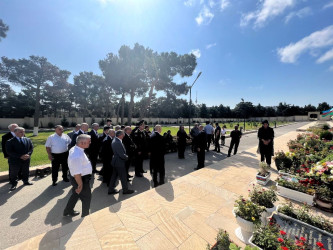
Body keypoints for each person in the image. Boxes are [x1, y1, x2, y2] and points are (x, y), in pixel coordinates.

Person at [63, 134, 92, 217]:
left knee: (76, 194)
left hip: (79, 178)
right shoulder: (76, 155)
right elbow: (77, 174)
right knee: (86, 198)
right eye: (89, 142)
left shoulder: (78, 149)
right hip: (80, 179)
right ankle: (85, 216)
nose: (90, 143)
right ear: (82, 143)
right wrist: (80, 185)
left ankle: (68, 210)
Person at [108, 130, 134, 195]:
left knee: (114, 176)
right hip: (119, 162)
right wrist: (127, 157)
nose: (124, 135)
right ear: (120, 135)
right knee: (123, 177)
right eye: (123, 134)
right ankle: (125, 190)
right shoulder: (117, 142)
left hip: (116, 161)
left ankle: (110, 190)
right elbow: (121, 154)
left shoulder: (116, 140)